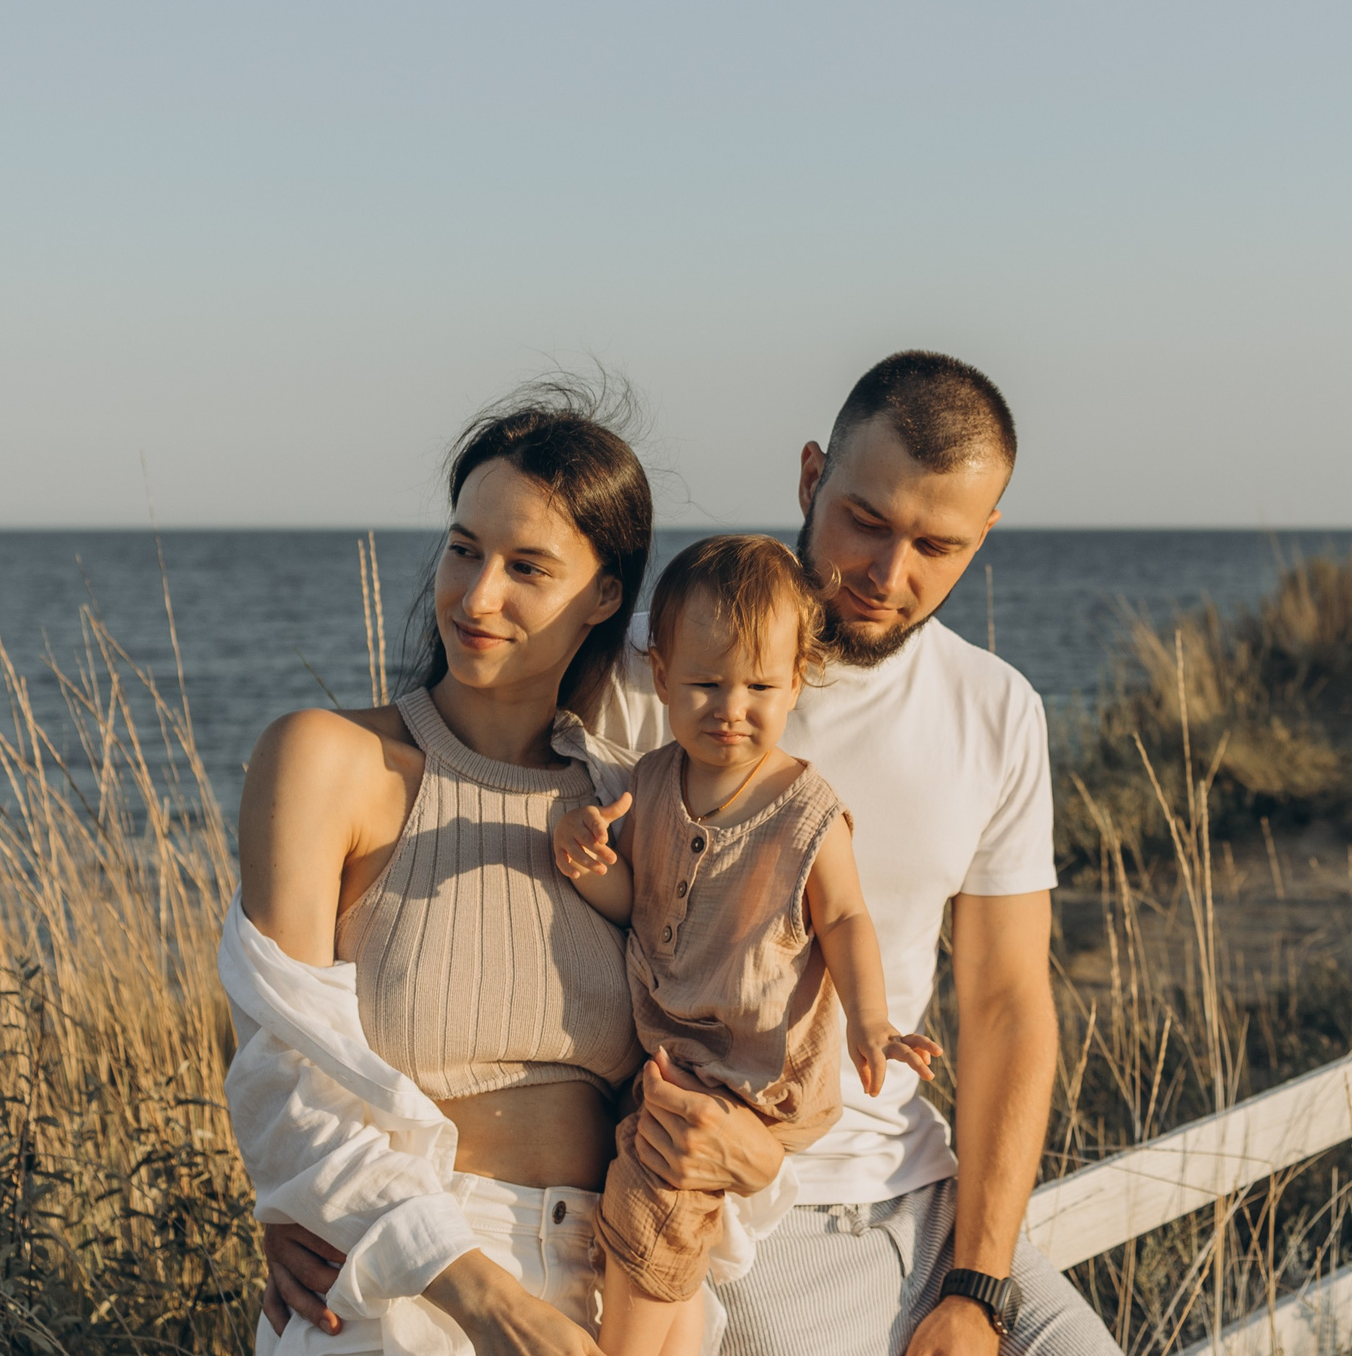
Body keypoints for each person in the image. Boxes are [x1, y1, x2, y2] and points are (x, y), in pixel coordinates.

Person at [269, 351, 1121, 1356]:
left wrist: (977, 1283)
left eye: (937, 542)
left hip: (927, 1191)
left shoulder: (997, 709)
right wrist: (304, 1195)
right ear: (811, 477)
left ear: (986, 535)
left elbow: (1007, 1003)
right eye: (866, 520)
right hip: (734, 1203)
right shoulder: (639, 674)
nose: (891, 573)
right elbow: (436, 858)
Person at [227, 388, 657, 1355]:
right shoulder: (329, 760)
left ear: (603, 596)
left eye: (527, 568)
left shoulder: (631, 806)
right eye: (464, 549)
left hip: (610, 1283)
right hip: (400, 1284)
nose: (476, 596)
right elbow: (279, 1074)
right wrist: (489, 1305)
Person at [551, 534, 940, 1356]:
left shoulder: (805, 809)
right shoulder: (652, 782)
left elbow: (846, 922)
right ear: (660, 675)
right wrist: (584, 860)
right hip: (679, 1056)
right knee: (663, 1199)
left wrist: (874, 1024)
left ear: (798, 680)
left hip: (760, 1074)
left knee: (652, 1192)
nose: (733, 708)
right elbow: (633, 901)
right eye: (705, 684)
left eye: (761, 685)